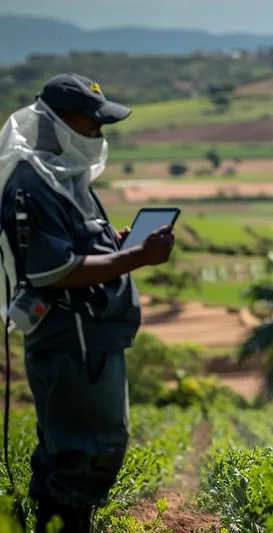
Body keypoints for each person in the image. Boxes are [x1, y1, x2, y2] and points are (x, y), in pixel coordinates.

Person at [0, 73, 175, 532]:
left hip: (89, 335)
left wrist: (114, 243)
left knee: (72, 450)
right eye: (90, 124)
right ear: (56, 124)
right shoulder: (31, 184)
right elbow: (53, 270)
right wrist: (138, 255)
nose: (98, 134)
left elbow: (78, 245)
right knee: (92, 448)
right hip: (71, 339)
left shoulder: (64, 177)